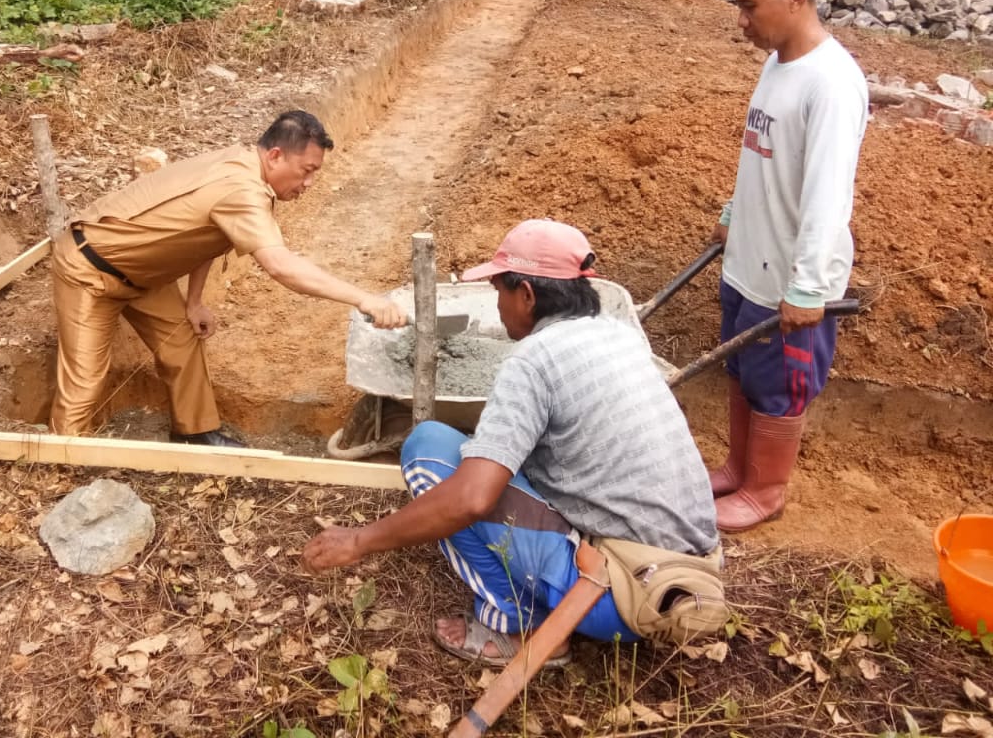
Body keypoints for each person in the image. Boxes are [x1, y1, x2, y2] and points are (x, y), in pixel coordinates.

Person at [302, 219, 719, 663]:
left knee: (428, 450)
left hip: (623, 599)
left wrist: (361, 540)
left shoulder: (534, 361)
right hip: (691, 581)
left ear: (527, 295)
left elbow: (471, 500)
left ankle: (517, 625)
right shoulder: (617, 334)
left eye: (499, 290)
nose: (497, 305)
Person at [49, 110, 405, 446]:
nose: (309, 182)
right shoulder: (241, 188)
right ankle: (63, 460)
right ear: (276, 155)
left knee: (183, 343)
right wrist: (363, 298)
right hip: (91, 267)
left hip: (146, 276)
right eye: (306, 170)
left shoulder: (242, 161)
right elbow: (279, 265)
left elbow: (209, 236)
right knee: (84, 382)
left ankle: (194, 433)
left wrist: (194, 301)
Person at [710, 0, 868, 532]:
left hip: (793, 278)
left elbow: (829, 195)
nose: (742, 20)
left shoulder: (832, 83)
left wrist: (808, 288)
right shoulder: (778, 63)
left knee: (777, 385)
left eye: (750, 6)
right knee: (743, 371)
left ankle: (766, 491)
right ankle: (738, 468)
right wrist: (732, 211)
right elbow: (762, 153)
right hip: (751, 260)